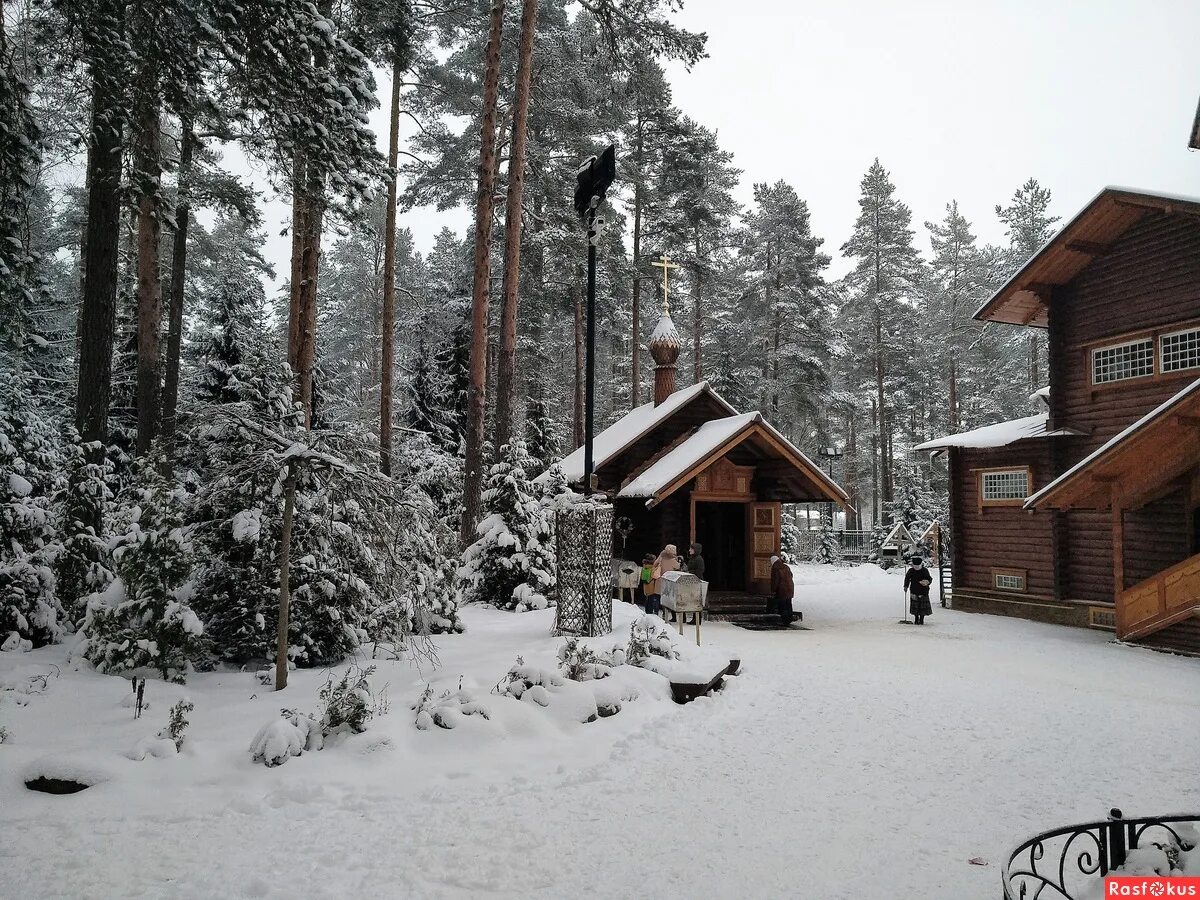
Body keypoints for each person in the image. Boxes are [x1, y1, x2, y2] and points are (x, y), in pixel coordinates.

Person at [648, 544, 680, 616]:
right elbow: (678, 567)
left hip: (659, 580)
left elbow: (655, 564)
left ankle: (655, 612)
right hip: (668, 581)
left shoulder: (661, 557)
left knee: (657, 597)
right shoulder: (673, 560)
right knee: (667, 598)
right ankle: (665, 614)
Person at [904, 556, 933, 625]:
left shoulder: (924, 570)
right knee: (915, 606)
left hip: (923, 591)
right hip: (914, 590)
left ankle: (922, 619)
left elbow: (929, 578)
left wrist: (926, 582)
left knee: (922, 606)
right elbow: (907, 579)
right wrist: (905, 586)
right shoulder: (911, 571)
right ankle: (916, 618)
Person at [769, 553, 795, 626]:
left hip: (781, 589)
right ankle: (789, 619)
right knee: (788, 604)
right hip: (790, 588)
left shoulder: (775, 568)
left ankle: (785, 621)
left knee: (782, 605)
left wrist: (773, 590)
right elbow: (791, 575)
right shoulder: (786, 566)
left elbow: (775, 580)